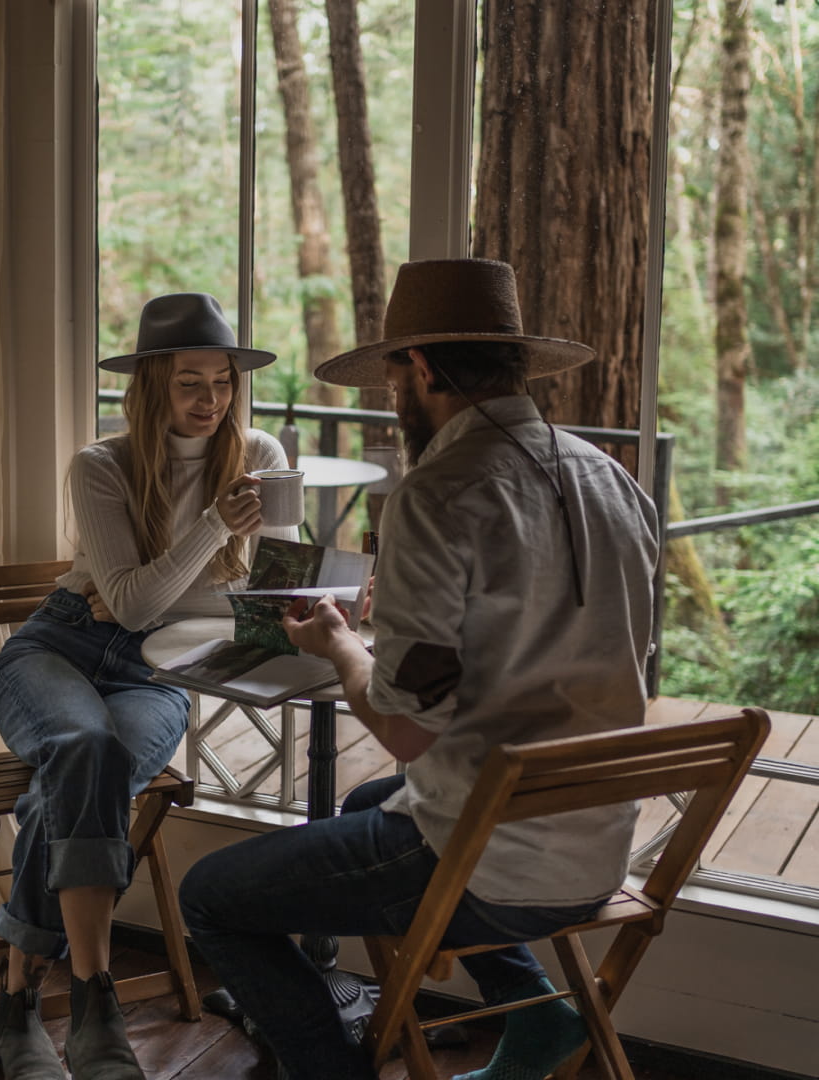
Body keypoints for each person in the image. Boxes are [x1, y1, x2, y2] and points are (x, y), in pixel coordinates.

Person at [179, 258, 660, 1080]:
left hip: (493, 864)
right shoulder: (610, 479)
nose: (389, 397)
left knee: (210, 898)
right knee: (370, 802)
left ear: (425, 370)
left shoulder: (438, 494)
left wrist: (337, 643)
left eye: (393, 375)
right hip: (599, 844)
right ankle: (544, 1018)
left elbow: (404, 730)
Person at [0, 292, 298, 1079]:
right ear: (152, 384)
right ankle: (95, 998)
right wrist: (215, 532)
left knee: (69, 780)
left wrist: (178, 582)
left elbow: (272, 599)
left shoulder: (258, 453)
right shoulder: (102, 465)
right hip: (57, 647)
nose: (210, 400)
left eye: (223, 381)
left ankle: (17, 995)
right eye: (190, 381)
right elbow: (129, 604)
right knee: (81, 746)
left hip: (161, 670)